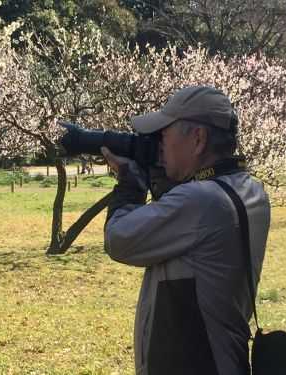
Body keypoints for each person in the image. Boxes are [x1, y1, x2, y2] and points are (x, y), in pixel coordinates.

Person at [101, 86, 270, 375]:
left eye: (164, 133)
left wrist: (129, 186)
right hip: (224, 359)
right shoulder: (250, 190)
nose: (159, 145)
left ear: (198, 139)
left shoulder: (201, 201)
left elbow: (118, 239)